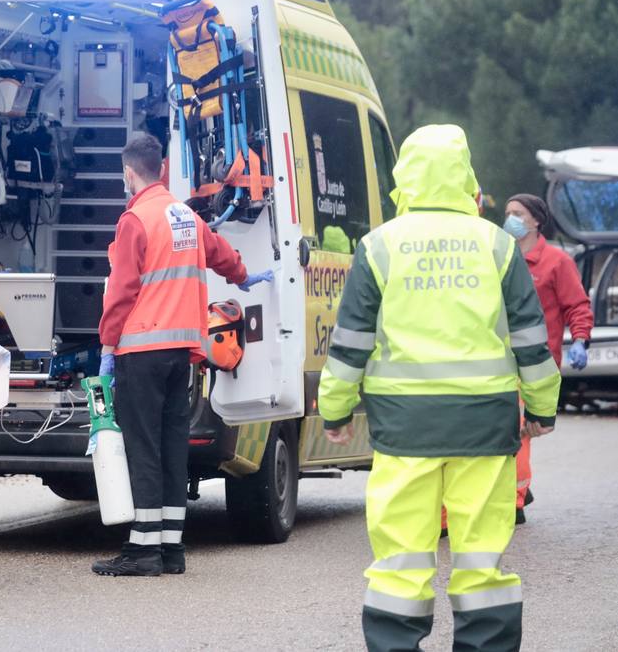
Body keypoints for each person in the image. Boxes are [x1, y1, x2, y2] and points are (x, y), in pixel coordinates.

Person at [319, 124, 561, 652]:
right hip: (485, 428)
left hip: (405, 432)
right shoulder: (498, 245)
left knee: (401, 562)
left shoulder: (379, 246)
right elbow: (530, 339)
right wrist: (543, 409)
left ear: (404, 178)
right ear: (466, 177)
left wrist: (334, 412)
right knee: (480, 560)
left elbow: (351, 341)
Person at [91, 132, 271, 577]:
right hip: (182, 355)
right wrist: (244, 276)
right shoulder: (184, 215)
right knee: (172, 447)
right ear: (163, 171)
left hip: (141, 349)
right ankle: (171, 548)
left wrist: (107, 344)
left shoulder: (135, 220)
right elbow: (220, 253)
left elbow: (121, 290)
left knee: (143, 447)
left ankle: (143, 550)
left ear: (131, 173)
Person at [503, 192, 593, 520]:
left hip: (538, 363)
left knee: (520, 430)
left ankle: (515, 498)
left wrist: (581, 339)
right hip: (499, 361)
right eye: (507, 212)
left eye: (518, 213)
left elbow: (577, 305)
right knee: (513, 429)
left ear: (536, 220)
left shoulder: (556, 262)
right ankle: (516, 493)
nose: (510, 218)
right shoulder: (500, 257)